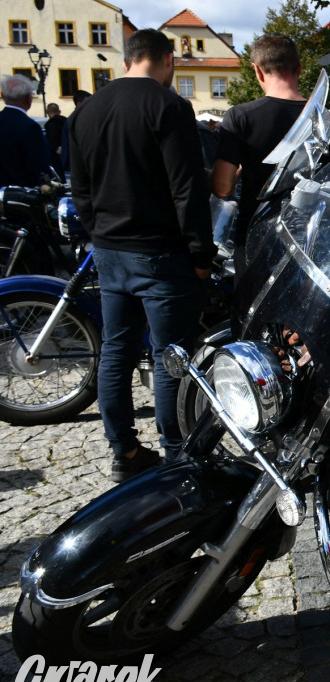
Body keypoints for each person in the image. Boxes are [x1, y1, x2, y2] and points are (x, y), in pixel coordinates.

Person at [69, 28, 214, 482]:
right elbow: (187, 190)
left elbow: (81, 190)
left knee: (117, 349)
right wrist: (201, 253)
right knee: (171, 354)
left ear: (128, 58)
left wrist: (100, 234)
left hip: (111, 249)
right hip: (160, 253)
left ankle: (124, 451)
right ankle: (176, 454)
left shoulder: (86, 110)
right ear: (167, 60)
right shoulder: (169, 106)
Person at [213, 34, 310, 258]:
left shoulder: (240, 117)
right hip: (309, 240)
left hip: (255, 237)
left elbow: (222, 187)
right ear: (300, 68)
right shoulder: (325, 119)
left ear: (257, 70)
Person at [0, 74, 50, 188]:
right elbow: (38, 167)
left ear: (2, 96)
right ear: (29, 98)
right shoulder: (30, 127)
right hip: (19, 197)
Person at [61, 90, 91, 178]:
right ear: (79, 103)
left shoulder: (74, 118)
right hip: (73, 166)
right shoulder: (76, 119)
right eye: (88, 102)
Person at [44, 103, 66, 177]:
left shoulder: (49, 124)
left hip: (56, 160)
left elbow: (51, 144)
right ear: (59, 111)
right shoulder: (67, 121)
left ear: (47, 111)